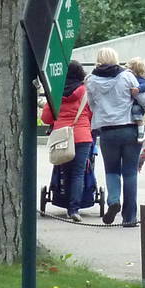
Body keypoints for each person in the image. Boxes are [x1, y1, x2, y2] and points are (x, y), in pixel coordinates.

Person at [86, 47, 145, 228]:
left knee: (111, 171)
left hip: (107, 131)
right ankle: (129, 217)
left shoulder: (91, 81)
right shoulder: (127, 76)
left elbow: (91, 105)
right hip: (129, 128)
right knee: (129, 173)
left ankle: (113, 200)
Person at [40, 60, 92, 221]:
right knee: (78, 173)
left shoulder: (55, 92)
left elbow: (46, 118)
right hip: (82, 135)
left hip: (62, 136)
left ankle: (63, 199)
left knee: (66, 172)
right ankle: (74, 209)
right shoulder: (84, 91)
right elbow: (91, 114)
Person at [128, 58, 145, 127]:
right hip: (134, 102)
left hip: (139, 105)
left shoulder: (142, 81)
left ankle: (140, 128)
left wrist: (138, 89)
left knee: (136, 110)